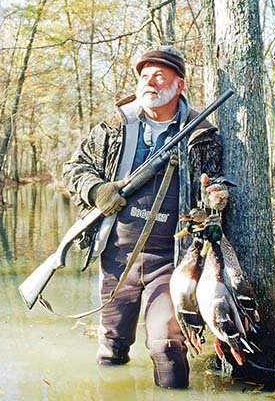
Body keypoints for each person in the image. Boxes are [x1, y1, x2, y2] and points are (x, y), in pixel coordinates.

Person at [63, 46, 224, 389]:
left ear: (178, 85)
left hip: (172, 261)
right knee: (111, 347)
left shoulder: (201, 135)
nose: (149, 82)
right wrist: (96, 190)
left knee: (166, 346)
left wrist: (215, 197)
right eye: (144, 76)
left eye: (159, 76)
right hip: (117, 256)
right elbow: (74, 169)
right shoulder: (113, 127)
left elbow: (217, 185)